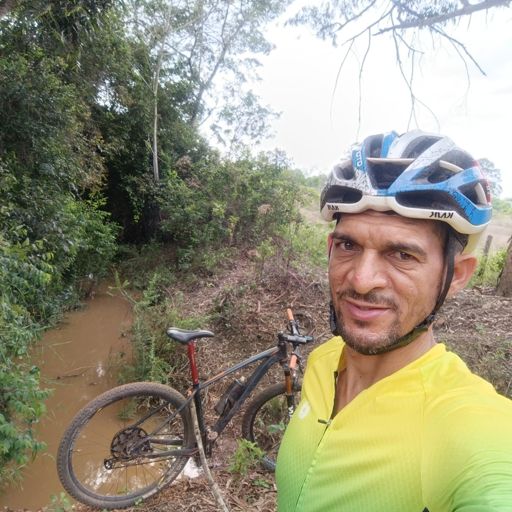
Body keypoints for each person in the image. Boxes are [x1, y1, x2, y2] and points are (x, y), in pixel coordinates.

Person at [276, 130, 512, 511]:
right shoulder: (323, 360)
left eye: (402, 255)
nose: (361, 280)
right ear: (330, 249)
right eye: (348, 245)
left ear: (456, 275)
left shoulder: (461, 420)